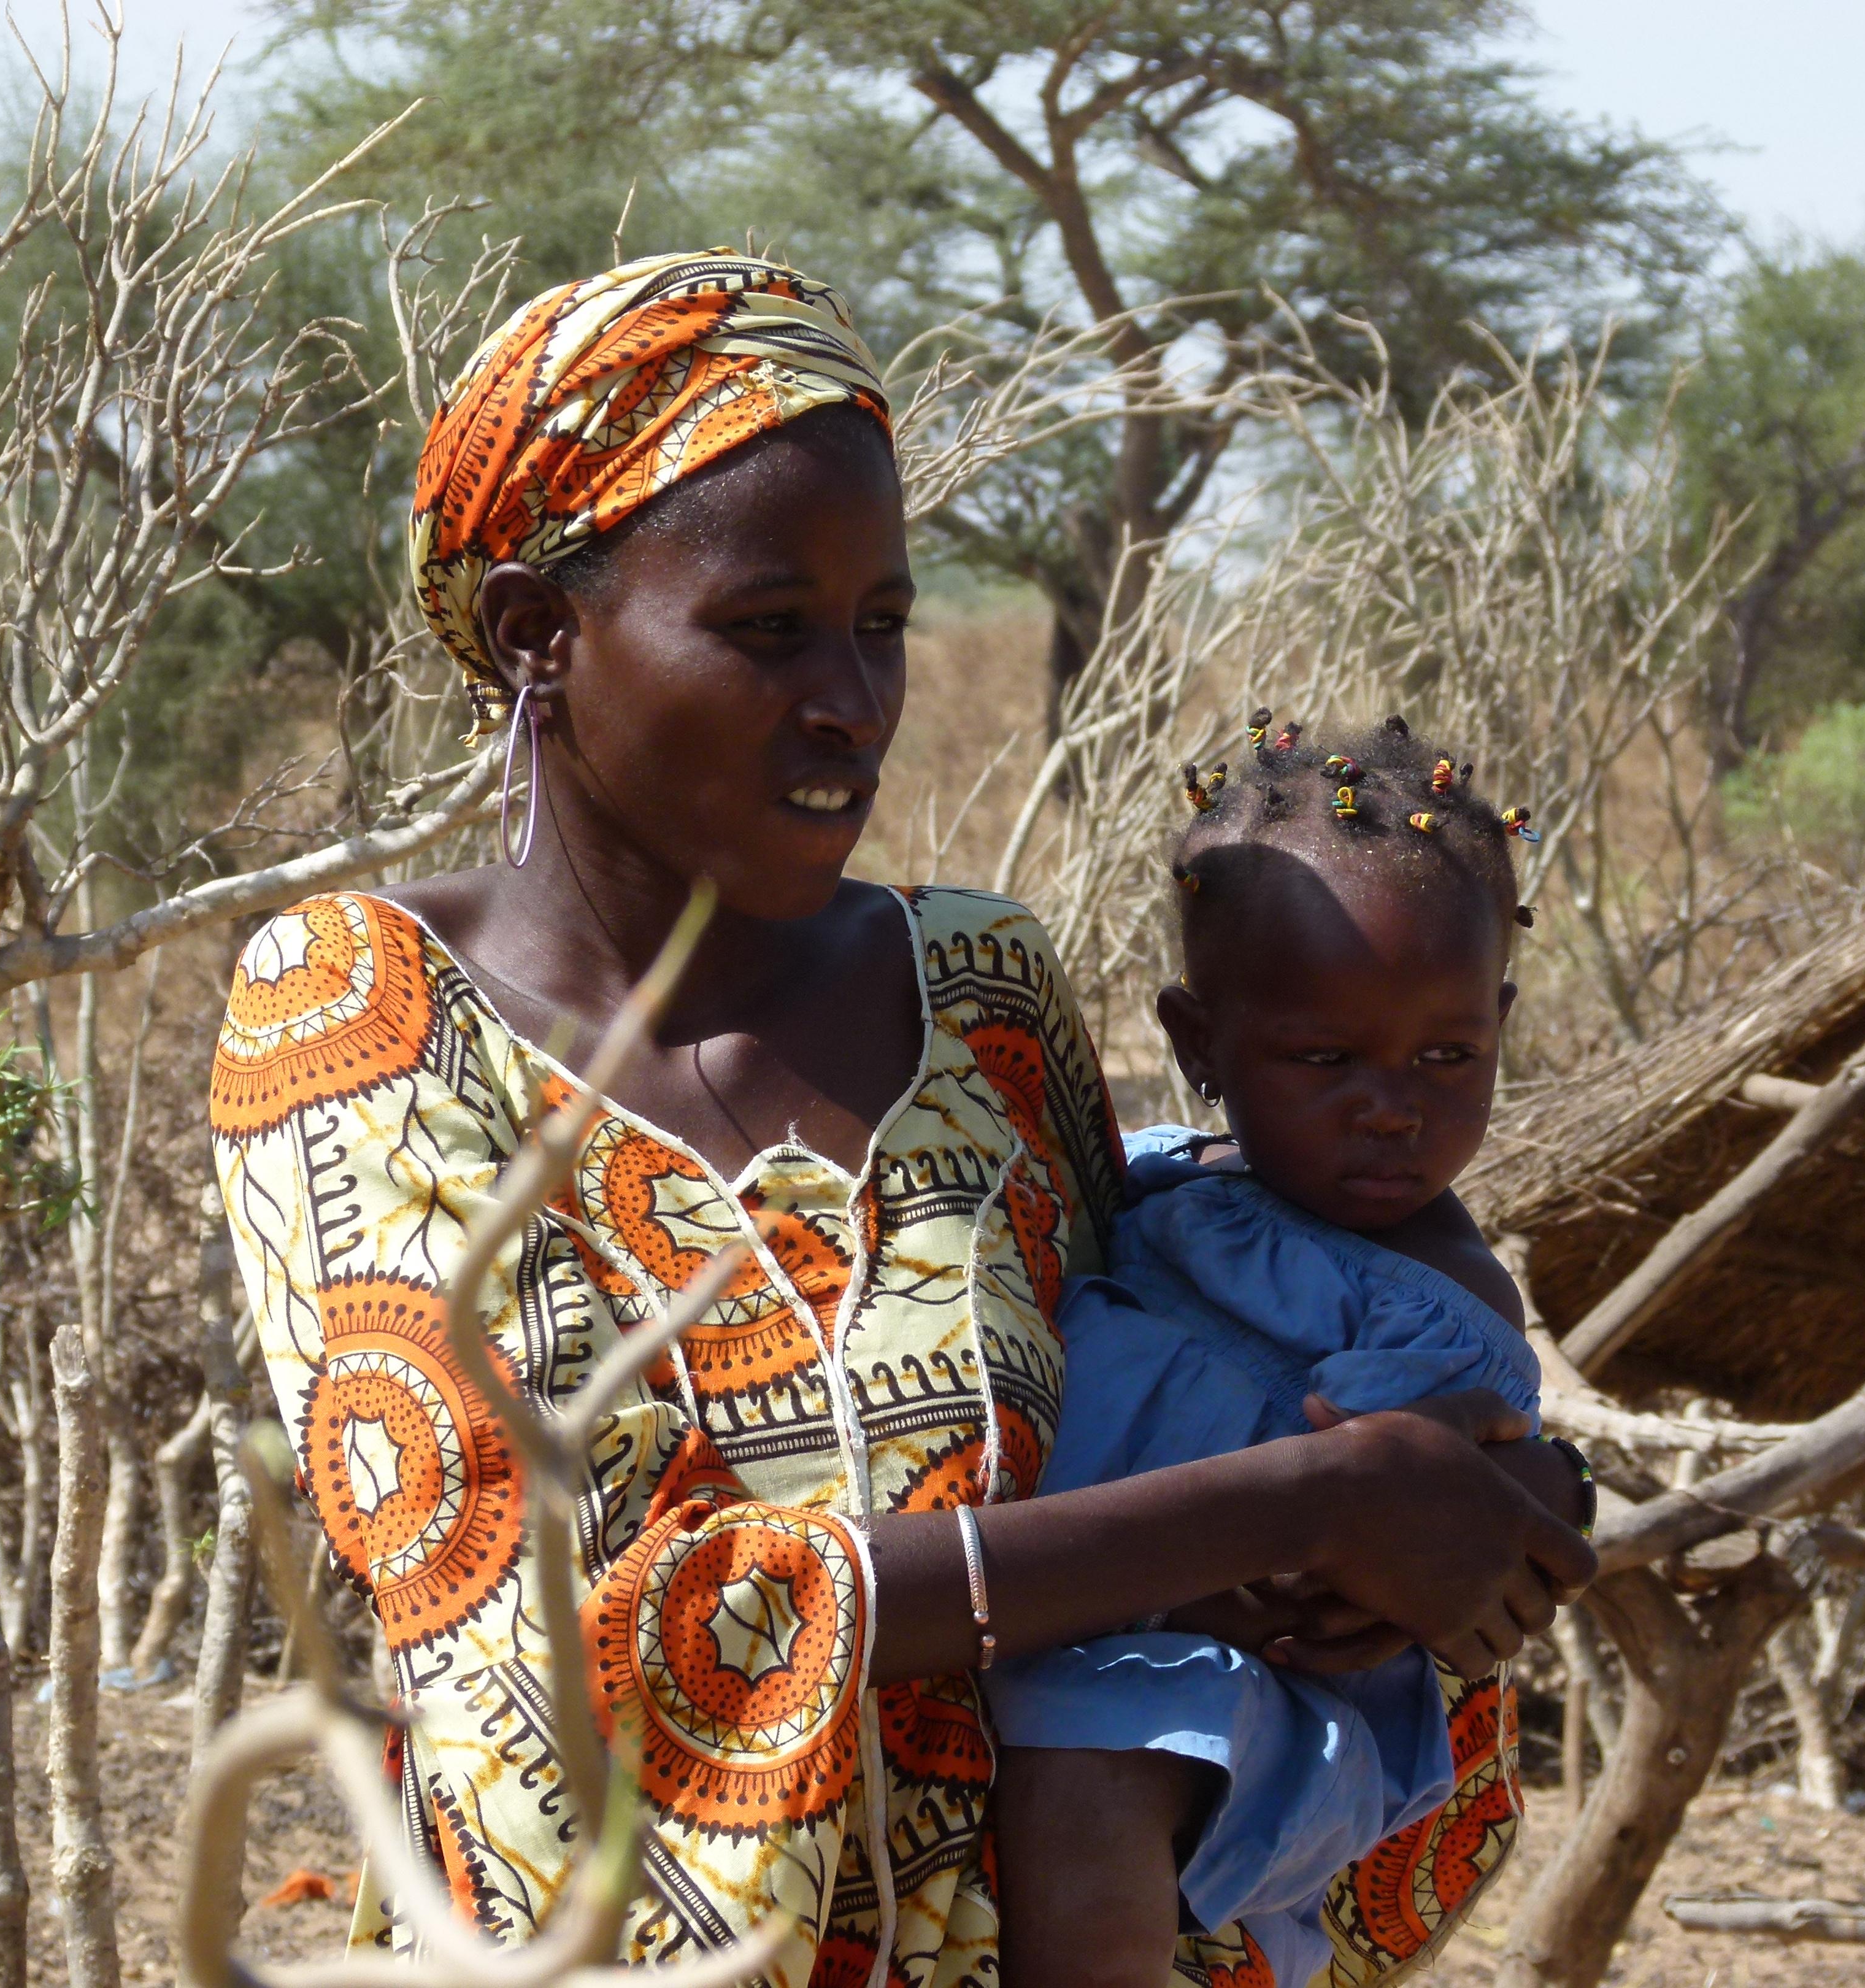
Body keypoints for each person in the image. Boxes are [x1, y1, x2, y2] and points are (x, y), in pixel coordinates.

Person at [207, 251, 1594, 1988]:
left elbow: (1189, 1369)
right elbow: (561, 1645)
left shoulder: (982, 991)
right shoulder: (359, 1013)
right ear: (535, 637)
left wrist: (1484, 1494)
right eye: (769, 628)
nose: (853, 704)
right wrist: (1301, 1505)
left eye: (882, 626)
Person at [983, 718, 1593, 1988]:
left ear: (1503, 1024)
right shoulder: (1149, 1179)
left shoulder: (1430, 1305)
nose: (1393, 1102)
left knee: (1087, 1787)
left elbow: (1348, 1570)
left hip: (1239, 1690)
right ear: (1201, 1045)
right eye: (1324, 1058)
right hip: (1053, 1613)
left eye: (1450, 1055)